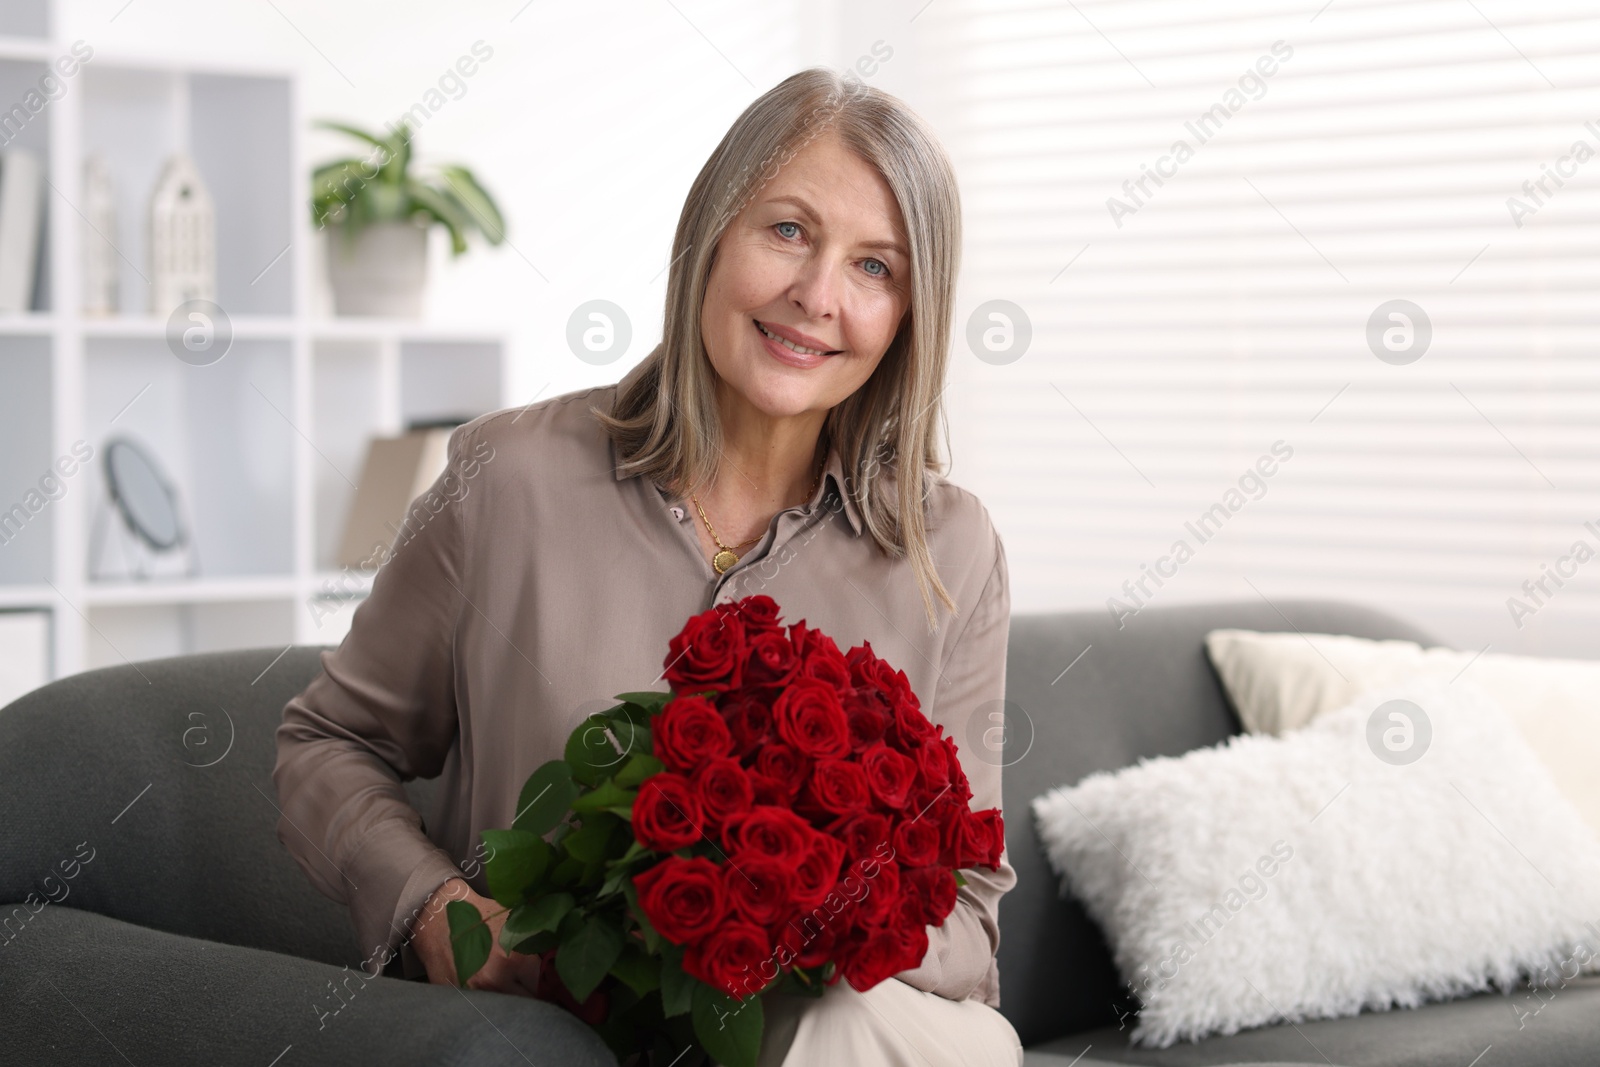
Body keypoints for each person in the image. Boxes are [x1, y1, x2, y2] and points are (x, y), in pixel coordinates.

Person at [273, 66, 1021, 1066]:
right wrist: (435, 909)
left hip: (842, 1034)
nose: (817, 296)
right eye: (788, 231)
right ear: (711, 230)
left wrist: (810, 921)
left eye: (875, 268)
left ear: (908, 317)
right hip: (549, 1032)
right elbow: (327, 742)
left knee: (854, 1026)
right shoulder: (507, 480)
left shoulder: (950, 550)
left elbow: (967, 914)